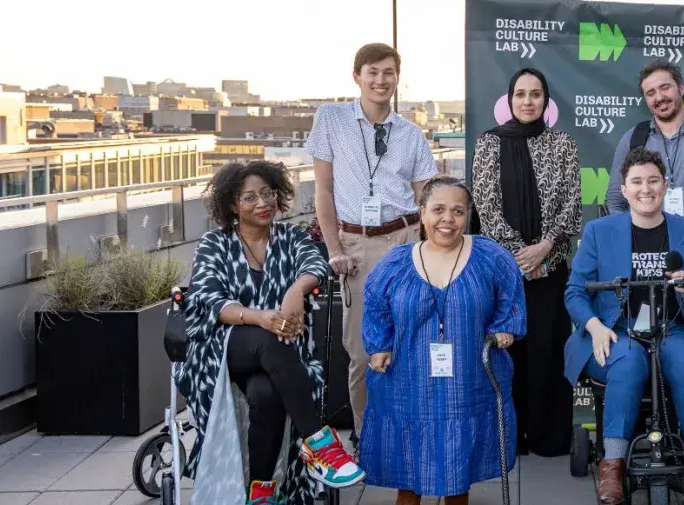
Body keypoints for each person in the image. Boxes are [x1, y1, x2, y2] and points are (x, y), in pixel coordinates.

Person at [177, 160, 364, 505]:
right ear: (232, 204)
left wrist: (296, 291)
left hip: (279, 352)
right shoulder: (214, 244)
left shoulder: (291, 237)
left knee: (266, 394)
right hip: (222, 348)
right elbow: (210, 299)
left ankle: (262, 493)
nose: (262, 203)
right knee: (265, 338)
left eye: (268, 193)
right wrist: (260, 317)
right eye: (249, 197)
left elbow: (315, 265)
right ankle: (320, 444)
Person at [565, 148, 684, 504]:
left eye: (653, 180)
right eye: (636, 182)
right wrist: (594, 327)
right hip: (616, 329)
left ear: (666, 186)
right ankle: (613, 466)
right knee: (629, 360)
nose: (645, 189)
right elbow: (575, 292)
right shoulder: (598, 232)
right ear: (624, 189)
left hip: (672, 327)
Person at [358, 175, 527, 505]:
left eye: (458, 211)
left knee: (457, 462)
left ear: (468, 215)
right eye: (438, 209)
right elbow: (376, 304)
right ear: (422, 213)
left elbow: (511, 295)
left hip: (467, 377)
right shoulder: (396, 261)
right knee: (408, 467)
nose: (448, 219)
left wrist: (505, 327)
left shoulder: (490, 256)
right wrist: (378, 345)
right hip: (407, 377)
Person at [308, 42, 439, 438]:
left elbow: (427, 198)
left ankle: (410, 431)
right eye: (373, 72)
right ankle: (369, 438)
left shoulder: (411, 134)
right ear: (357, 76)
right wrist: (334, 249)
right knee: (363, 352)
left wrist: (437, 248)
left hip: (404, 239)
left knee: (413, 344)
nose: (381, 81)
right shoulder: (330, 119)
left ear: (397, 79)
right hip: (357, 245)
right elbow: (323, 192)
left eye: (388, 73)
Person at [471, 67, 582, 457]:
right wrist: (520, 256)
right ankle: (509, 439)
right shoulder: (488, 144)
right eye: (520, 94)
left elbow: (572, 202)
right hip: (505, 271)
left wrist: (545, 247)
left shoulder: (564, 144)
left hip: (551, 270)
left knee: (548, 351)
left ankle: (549, 438)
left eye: (536, 94)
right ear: (510, 99)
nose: (528, 101)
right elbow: (486, 207)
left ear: (546, 100)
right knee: (509, 351)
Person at [604, 59, 684, 373]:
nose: (659, 97)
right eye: (650, 92)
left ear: (681, 88)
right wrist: (629, 249)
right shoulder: (632, 139)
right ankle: (652, 419)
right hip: (645, 261)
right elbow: (615, 201)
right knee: (645, 342)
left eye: (665, 87)